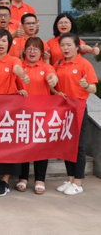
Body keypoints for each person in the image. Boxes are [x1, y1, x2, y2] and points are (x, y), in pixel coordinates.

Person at [0, 29, 30, 197]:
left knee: (8, 142)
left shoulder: (14, 59)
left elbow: (17, 69)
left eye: (4, 41)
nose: (0, 44)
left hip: (9, 105)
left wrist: (23, 75)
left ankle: (5, 180)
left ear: (9, 43)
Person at [53, 33, 98, 196]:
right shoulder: (59, 63)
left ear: (77, 46)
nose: (65, 48)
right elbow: (56, 85)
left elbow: (93, 88)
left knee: (78, 145)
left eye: (69, 45)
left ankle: (78, 182)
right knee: (67, 144)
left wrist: (86, 85)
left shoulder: (84, 64)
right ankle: (70, 179)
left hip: (78, 108)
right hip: (63, 109)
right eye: (62, 45)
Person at [15, 37, 58, 195]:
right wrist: (18, 91)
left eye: (36, 49)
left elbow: (52, 77)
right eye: (29, 48)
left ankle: (40, 179)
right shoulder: (19, 67)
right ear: (24, 51)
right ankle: (23, 178)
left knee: (40, 147)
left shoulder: (46, 67)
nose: (32, 52)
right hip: (22, 114)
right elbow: (12, 85)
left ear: (41, 52)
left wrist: (53, 80)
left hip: (41, 114)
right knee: (23, 146)